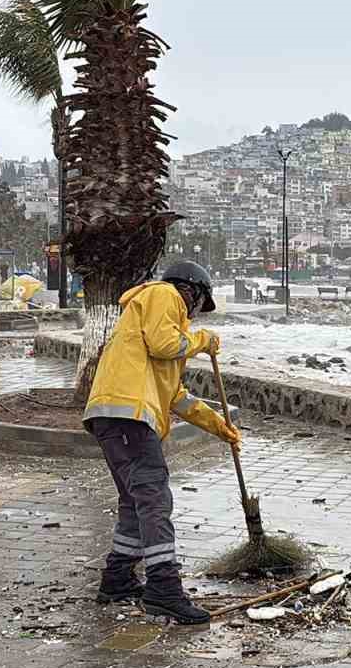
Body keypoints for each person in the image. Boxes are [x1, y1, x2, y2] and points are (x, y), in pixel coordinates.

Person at [83, 260, 242, 624]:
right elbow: (165, 344)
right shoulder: (163, 294)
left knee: (134, 500)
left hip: (116, 415)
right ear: (191, 291)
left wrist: (220, 427)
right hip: (128, 414)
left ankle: (118, 578)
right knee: (155, 499)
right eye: (199, 304)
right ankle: (163, 588)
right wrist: (203, 342)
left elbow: (176, 397)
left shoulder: (157, 323)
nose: (196, 314)